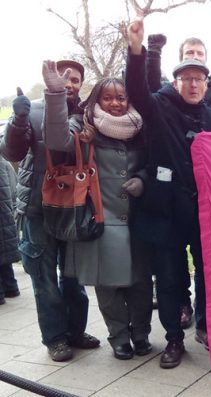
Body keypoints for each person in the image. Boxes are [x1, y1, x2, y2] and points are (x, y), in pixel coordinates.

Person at [126, 15, 211, 368]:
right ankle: (173, 339)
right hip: (164, 213)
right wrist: (136, 50)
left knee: (208, 276)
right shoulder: (159, 107)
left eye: (200, 79)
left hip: (203, 213)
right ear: (176, 80)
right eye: (187, 78)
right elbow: (136, 89)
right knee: (168, 279)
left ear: (206, 83)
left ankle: (210, 329)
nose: (194, 85)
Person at [42, 61, 153, 361]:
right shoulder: (84, 125)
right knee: (109, 286)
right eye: (108, 98)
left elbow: (154, 162)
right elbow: (56, 139)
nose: (115, 103)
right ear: (97, 100)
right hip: (104, 221)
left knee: (142, 283)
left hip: (139, 222)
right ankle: (119, 337)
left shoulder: (142, 126)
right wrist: (55, 95)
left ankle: (141, 333)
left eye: (121, 98)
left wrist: (143, 179)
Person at [0, 61, 100, 361]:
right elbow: (12, 152)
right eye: (64, 77)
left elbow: (70, 146)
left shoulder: (85, 114)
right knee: (43, 277)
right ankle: (54, 338)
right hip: (36, 208)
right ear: (52, 78)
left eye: (75, 79)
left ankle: (75, 330)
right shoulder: (32, 109)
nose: (70, 83)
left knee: (72, 276)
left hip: (73, 207)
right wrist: (17, 122)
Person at [0, 156, 20, 305]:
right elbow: (14, 189)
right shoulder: (4, 163)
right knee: (4, 251)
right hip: (5, 213)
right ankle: (11, 287)